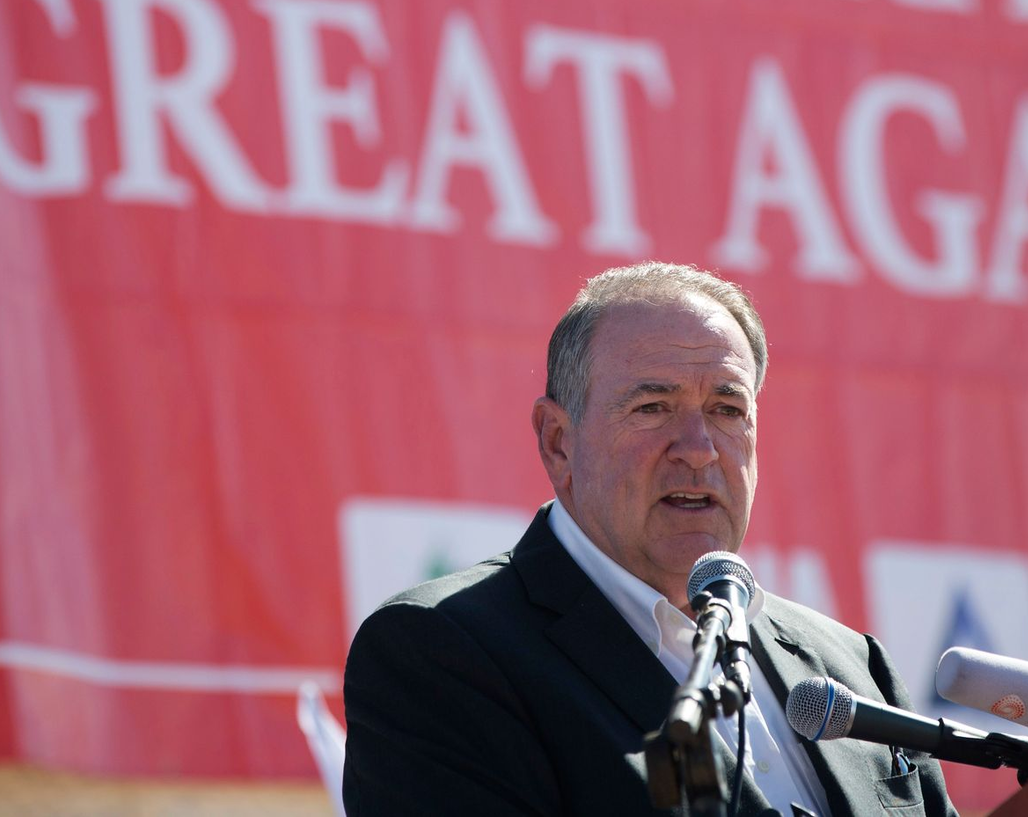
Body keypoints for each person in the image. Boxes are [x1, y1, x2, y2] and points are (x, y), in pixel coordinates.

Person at [343, 262, 957, 816]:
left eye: (726, 409)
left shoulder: (851, 667)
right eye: (653, 407)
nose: (698, 449)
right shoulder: (441, 651)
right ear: (558, 441)